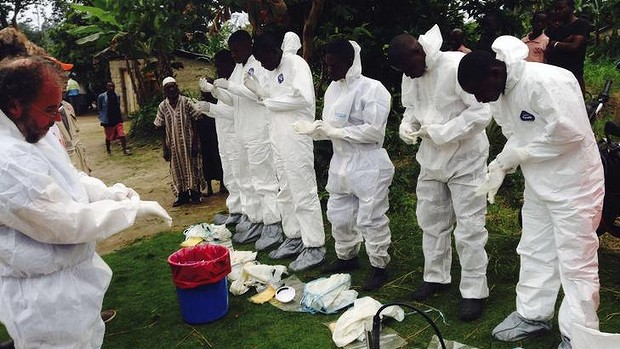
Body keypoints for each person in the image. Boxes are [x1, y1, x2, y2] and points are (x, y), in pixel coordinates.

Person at [0, 55, 171, 349]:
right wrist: (130, 210)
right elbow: (66, 221)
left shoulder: (29, 133)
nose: (57, 118)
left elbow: (70, 177)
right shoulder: (7, 161)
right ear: (15, 105)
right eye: (51, 109)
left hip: (71, 285)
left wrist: (112, 193)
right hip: (43, 299)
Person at [457, 36, 604, 349]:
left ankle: (578, 335)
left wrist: (519, 156)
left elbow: (570, 134)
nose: (481, 100)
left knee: (576, 260)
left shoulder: (546, 82)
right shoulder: (500, 94)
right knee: (535, 249)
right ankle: (532, 315)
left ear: (495, 74)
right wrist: (500, 165)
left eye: (480, 92)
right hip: (539, 183)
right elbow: (517, 135)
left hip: (574, 183)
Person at [388, 25, 492, 320]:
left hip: (465, 159)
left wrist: (443, 132)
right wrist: (406, 127)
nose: (408, 76)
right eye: (403, 72)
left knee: (470, 227)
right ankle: (435, 277)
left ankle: (474, 291)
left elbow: (482, 112)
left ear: (418, 52)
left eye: (409, 68)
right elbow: (411, 108)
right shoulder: (411, 73)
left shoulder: (455, 66)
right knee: (431, 221)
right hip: (430, 159)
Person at [296, 38, 394, 289]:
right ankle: (346, 256)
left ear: (349, 62)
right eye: (327, 65)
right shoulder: (333, 90)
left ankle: (379, 266)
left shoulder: (373, 89)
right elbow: (330, 127)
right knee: (338, 214)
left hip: (368, 162)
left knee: (370, 218)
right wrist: (315, 129)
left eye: (333, 65)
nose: (330, 70)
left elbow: (373, 131)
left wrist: (337, 132)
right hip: (341, 161)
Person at [247, 31, 326, 271]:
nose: (262, 64)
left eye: (263, 59)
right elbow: (273, 97)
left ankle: (314, 246)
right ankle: (294, 236)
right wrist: (261, 93)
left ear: (274, 51)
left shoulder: (295, 64)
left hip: (296, 136)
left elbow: (303, 99)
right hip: (277, 137)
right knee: (285, 190)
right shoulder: (271, 70)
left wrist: (267, 100)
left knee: (303, 190)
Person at [212, 30, 282, 249]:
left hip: (258, 132)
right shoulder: (239, 69)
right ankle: (255, 219)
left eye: (236, 50)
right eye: (231, 51)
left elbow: (259, 94)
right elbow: (233, 101)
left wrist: (230, 86)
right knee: (248, 179)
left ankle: (273, 224)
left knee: (264, 181)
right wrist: (215, 93)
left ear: (247, 47)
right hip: (244, 133)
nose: (233, 55)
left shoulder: (258, 65)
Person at [196, 50, 244, 226]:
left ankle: (246, 213)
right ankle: (235, 211)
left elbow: (234, 112)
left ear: (229, 63)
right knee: (230, 176)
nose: (217, 68)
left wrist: (210, 108)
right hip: (224, 137)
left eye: (219, 64)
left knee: (240, 177)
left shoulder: (236, 82)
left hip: (236, 136)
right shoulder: (223, 82)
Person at [154, 77, 204, 207]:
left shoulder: (186, 102)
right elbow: (160, 127)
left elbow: (197, 120)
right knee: (176, 170)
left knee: (192, 167)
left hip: (188, 143)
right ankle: (182, 196)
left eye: (173, 86)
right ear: (164, 90)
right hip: (173, 146)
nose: (171, 89)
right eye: (168, 87)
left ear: (177, 87)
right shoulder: (162, 106)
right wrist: (165, 148)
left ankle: (195, 194)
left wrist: (194, 143)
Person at [545, 0, 590, 93]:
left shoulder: (581, 24)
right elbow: (547, 46)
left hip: (573, 72)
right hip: (555, 72)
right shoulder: (556, 27)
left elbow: (574, 46)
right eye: (556, 9)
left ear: (571, 8)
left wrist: (556, 44)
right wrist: (565, 42)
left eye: (561, 8)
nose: (558, 12)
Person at [195, 86, 224, 197]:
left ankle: (222, 184)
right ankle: (209, 188)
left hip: (216, 135)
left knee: (219, 159)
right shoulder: (200, 103)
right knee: (206, 162)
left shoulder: (217, 102)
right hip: (204, 137)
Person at [97, 81, 131, 156]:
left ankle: (125, 150)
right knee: (108, 137)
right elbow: (100, 108)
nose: (111, 88)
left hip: (117, 119)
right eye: (109, 86)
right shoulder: (102, 96)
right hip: (108, 120)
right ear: (106, 87)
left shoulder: (116, 96)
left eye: (112, 86)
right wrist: (102, 117)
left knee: (121, 134)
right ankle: (108, 150)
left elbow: (117, 107)